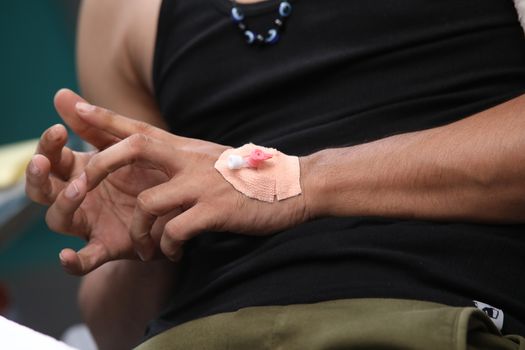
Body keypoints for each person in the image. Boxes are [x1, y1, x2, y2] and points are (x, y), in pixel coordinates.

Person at [25, 0, 525, 349]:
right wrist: (147, 234)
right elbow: (118, 334)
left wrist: (295, 182)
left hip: (426, 319)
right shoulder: (117, 12)